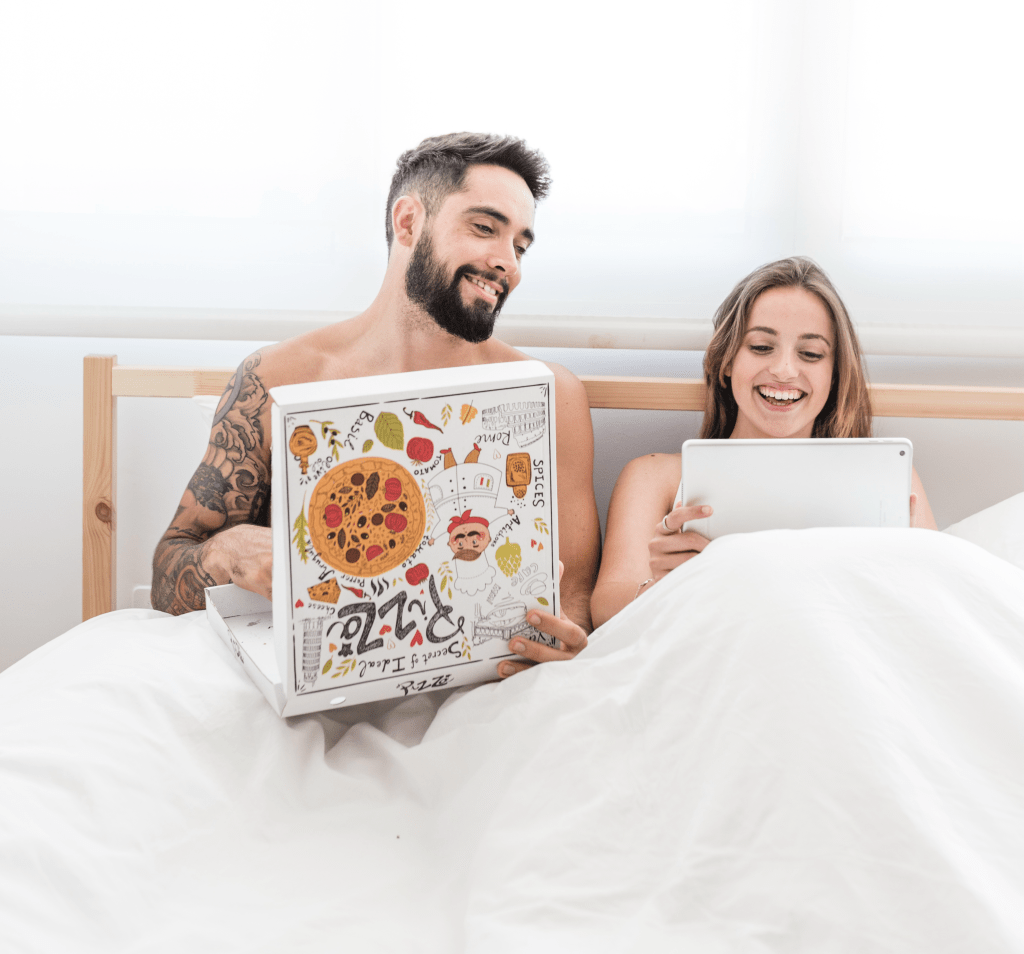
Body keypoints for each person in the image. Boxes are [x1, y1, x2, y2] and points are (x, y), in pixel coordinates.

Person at [151, 132, 600, 677]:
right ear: (407, 222)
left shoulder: (550, 394)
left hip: (489, 692)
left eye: (520, 246)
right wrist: (226, 552)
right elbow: (165, 578)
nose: (507, 263)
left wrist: (563, 645)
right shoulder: (275, 379)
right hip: (314, 691)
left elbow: (575, 609)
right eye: (485, 228)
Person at [591, 256, 938, 628]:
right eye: (760, 347)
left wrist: (905, 563)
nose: (784, 370)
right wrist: (662, 585)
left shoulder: (888, 477)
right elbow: (606, 609)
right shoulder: (653, 477)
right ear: (726, 360)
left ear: (835, 375)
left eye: (811, 354)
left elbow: (936, 603)